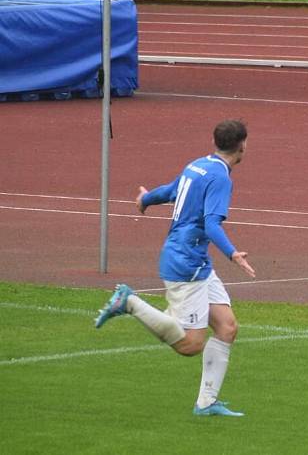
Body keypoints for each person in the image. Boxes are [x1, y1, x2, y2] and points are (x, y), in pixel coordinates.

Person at [94, 119, 256, 416]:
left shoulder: (198, 165)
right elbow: (211, 223)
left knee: (227, 327)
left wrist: (145, 199)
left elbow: (171, 190)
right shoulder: (221, 178)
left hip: (195, 260)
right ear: (243, 145)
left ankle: (206, 403)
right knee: (190, 344)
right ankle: (129, 302)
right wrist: (233, 254)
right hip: (187, 263)